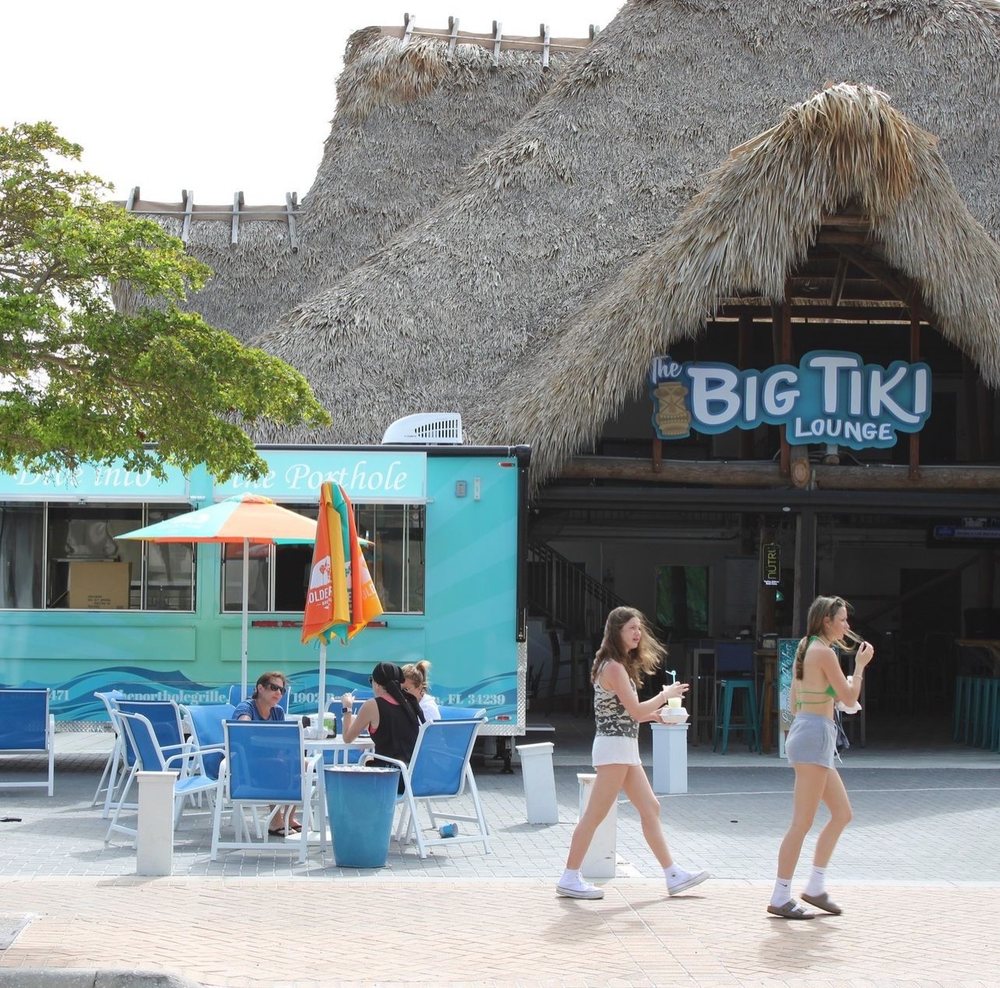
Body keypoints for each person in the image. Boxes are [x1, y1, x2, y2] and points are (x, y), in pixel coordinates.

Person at [557, 606, 710, 900]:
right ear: (617, 632)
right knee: (594, 815)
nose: (638, 634)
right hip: (615, 749)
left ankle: (672, 873)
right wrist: (665, 697)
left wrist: (657, 715)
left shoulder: (616, 664)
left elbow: (631, 714)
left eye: (639, 628)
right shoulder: (613, 667)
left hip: (623, 748)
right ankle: (569, 876)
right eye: (632, 629)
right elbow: (637, 712)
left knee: (650, 807)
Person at [768, 595, 874, 919]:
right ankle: (781, 894)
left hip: (810, 732)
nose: (847, 626)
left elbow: (795, 695)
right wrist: (859, 666)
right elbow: (849, 695)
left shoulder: (805, 647)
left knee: (842, 813)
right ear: (826, 621)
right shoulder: (825, 653)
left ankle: (814, 886)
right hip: (814, 736)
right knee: (802, 822)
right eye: (842, 620)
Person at [232, 671, 300, 835]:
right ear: (260, 688)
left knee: (300, 764)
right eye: (273, 688)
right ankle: (275, 822)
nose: (278, 693)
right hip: (245, 763)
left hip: (271, 759)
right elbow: (242, 727)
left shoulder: (278, 712)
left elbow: (282, 740)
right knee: (278, 765)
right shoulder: (246, 707)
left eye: (281, 690)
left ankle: (289, 817)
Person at [341, 661, 424, 789]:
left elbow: (347, 738)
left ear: (377, 684)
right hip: (413, 777)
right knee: (367, 760)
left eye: (371, 681)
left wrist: (347, 708)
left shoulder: (373, 705)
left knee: (351, 774)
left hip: (388, 778)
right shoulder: (410, 702)